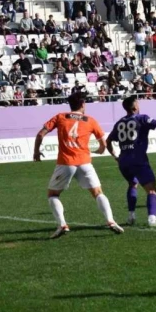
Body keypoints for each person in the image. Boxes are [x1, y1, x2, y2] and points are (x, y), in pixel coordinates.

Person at [33, 93, 124, 239]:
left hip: (66, 162)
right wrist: (102, 150)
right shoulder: (90, 120)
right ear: (82, 104)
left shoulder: (60, 116)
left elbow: (40, 134)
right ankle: (110, 221)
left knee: (53, 194)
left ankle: (62, 225)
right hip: (84, 162)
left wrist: (36, 152)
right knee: (98, 193)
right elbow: (103, 143)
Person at [106, 96, 156, 227]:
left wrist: (115, 156)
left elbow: (108, 141)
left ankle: (131, 216)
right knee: (152, 190)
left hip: (123, 161)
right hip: (138, 159)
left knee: (132, 184)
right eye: (138, 103)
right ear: (135, 106)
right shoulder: (142, 118)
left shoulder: (119, 122)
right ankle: (152, 219)